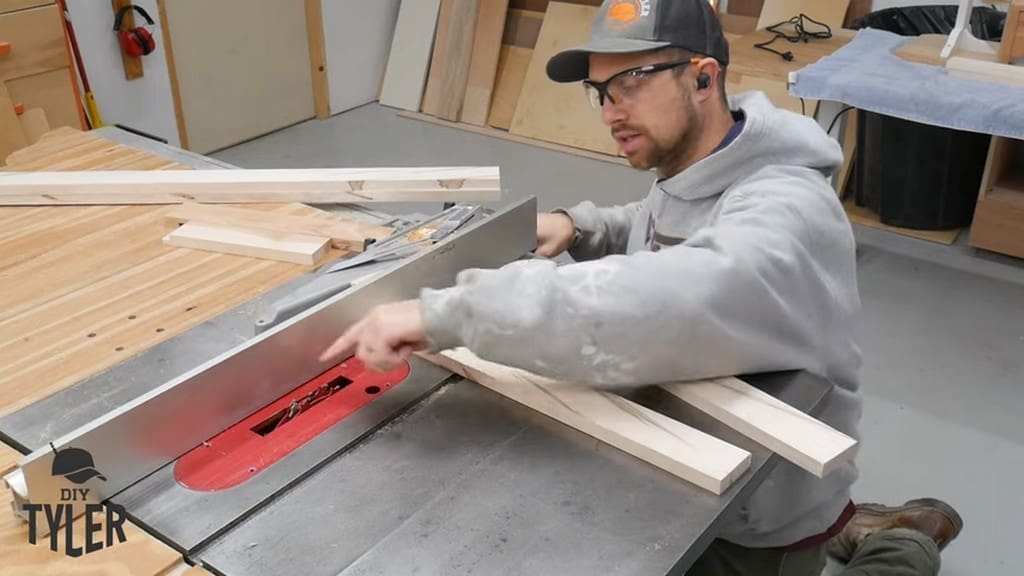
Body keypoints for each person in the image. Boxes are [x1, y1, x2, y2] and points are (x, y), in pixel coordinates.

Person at [318, 0, 963, 573]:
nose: (610, 111)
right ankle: (860, 525)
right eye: (600, 90)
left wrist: (449, 314)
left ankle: (908, 540)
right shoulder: (704, 163)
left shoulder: (787, 208)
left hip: (763, 517)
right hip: (701, 455)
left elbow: (673, 295)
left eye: (631, 81)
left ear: (704, 78)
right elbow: (661, 226)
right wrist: (580, 226)